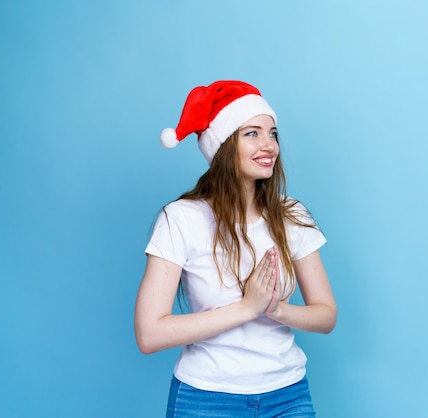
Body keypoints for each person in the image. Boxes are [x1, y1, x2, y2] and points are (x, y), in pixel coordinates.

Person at [134, 80, 337, 417]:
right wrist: (246, 308)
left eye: (272, 133)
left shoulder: (292, 215)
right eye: (252, 133)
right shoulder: (182, 219)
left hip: (288, 395)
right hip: (206, 399)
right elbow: (149, 333)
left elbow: (326, 314)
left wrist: (276, 310)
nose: (269, 144)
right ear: (224, 145)